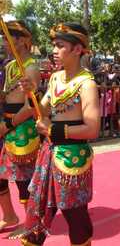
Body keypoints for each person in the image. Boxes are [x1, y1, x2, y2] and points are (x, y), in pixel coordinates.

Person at [19, 22, 100, 246]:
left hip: (72, 159)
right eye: (53, 45)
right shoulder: (55, 78)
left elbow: (92, 129)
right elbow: (41, 110)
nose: (53, 50)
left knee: (76, 217)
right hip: (48, 155)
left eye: (59, 45)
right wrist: (31, 93)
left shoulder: (86, 84)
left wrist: (53, 130)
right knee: (36, 209)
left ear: (77, 49)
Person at [0, 21, 41, 237]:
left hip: (21, 129)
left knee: (24, 179)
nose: (4, 43)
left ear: (23, 41)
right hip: (6, 125)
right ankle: (9, 216)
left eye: (7, 38)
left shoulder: (32, 67)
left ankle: (30, 222)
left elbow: (31, 106)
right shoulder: (9, 66)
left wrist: (7, 125)